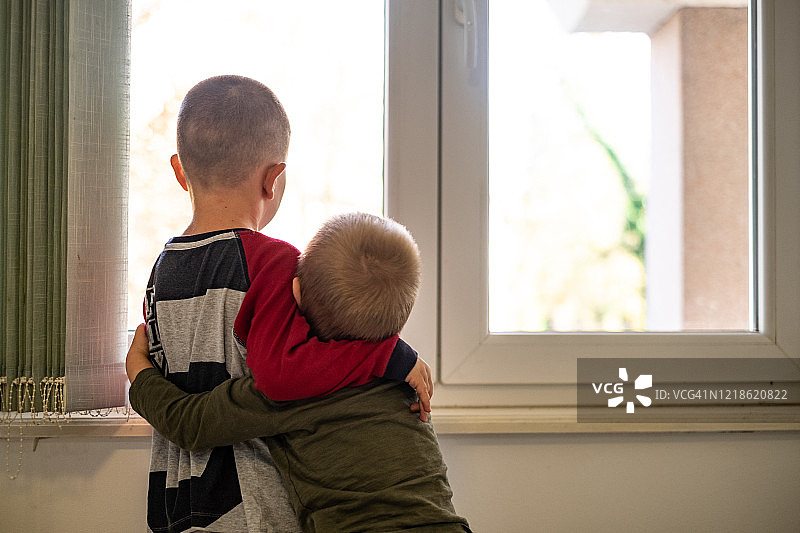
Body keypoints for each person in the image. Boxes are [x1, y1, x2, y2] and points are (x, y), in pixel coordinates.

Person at [142, 75, 432, 533]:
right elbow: (294, 370)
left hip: (177, 498)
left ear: (180, 170)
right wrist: (390, 354)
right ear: (273, 178)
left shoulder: (161, 272)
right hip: (253, 505)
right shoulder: (273, 262)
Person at [128, 214, 470, 532]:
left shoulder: (294, 390)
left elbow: (190, 424)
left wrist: (140, 375)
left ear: (295, 294)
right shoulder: (404, 377)